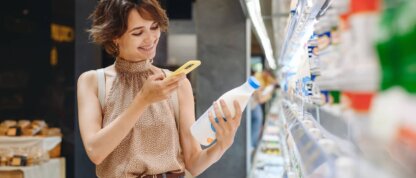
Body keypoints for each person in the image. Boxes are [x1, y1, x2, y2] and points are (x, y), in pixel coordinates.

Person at [76, 0, 243, 177]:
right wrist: (142, 100)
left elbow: (193, 162)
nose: (150, 38)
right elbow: (96, 152)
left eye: (154, 27)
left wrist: (222, 145)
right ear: (114, 36)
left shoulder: (177, 83)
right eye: (138, 32)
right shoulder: (93, 82)